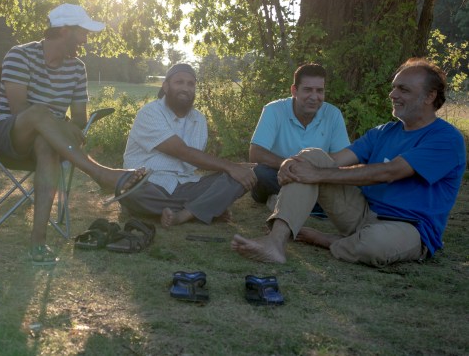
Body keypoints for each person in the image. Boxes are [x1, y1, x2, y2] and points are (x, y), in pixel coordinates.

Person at [232, 58, 466, 267]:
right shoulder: (382, 132)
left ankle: (326, 240)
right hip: (363, 213)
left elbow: (390, 172)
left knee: (374, 244)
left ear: (430, 96)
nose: (393, 94)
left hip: (409, 227)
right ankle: (275, 243)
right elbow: (333, 160)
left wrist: (318, 174)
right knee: (312, 156)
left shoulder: (446, 139)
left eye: (403, 89)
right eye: (394, 87)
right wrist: (293, 162)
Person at [0, 3, 151, 265]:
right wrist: (61, 124)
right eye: (82, 32)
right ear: (63, 31)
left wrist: (68, 126)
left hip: (47, 140)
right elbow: (19, 110)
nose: (85, 40)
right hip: (6, 134)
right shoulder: (20, 55)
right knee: (38, 113)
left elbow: (80, 119)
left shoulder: (77, 68)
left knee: (47, 145)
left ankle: (38, 243)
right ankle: (101, 174)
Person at [120, 63, 257, 228]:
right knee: (132, 191)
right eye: (179, 82)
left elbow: (193, 163)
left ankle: (183, 215)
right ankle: (207, 208)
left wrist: (233, 169)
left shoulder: (199, 120)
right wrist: (229, 166)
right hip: (150, 184)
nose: (185, 88)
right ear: (165, 86)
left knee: (245, 175)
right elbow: (183, 152)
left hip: (186, 186)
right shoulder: (150, 113)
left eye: (190, 84)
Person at [249, 63, 349, 206]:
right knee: (261, 172)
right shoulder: (273, 110)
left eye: (319, 91)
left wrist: (314, 173)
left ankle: (285, 200)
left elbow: (344, 157)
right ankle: (309, 203)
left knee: (351, 180)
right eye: (308, 90)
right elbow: (256, 153)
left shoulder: (333, 114)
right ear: (294, 91)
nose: (314, 97)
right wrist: (289, 165)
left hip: (315, 177)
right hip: (280, 174)